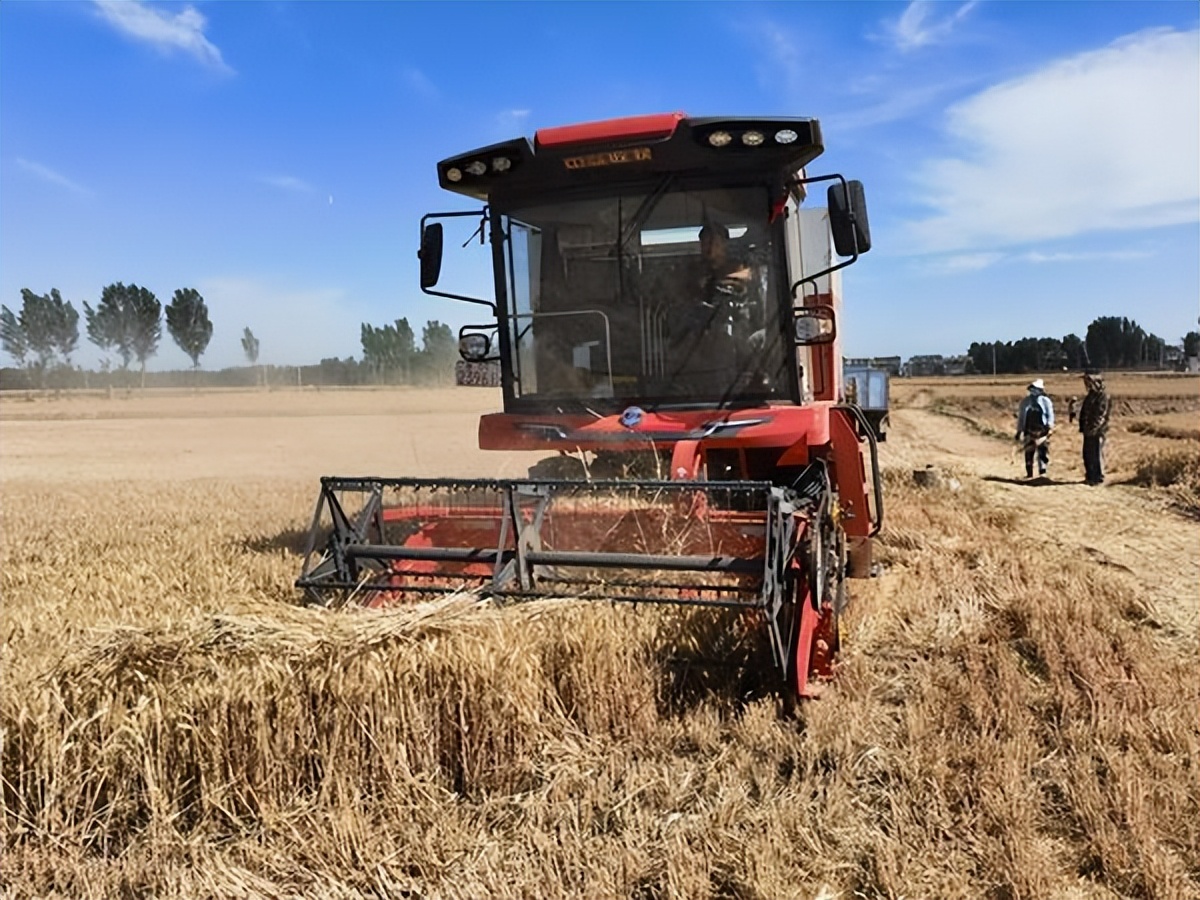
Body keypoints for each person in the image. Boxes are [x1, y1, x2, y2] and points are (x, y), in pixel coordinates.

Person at [1015, 378, 1055, 478]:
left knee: (1042, 450)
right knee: (1029, 451)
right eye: (1033, 388)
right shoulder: (1025, 402)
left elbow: (1050, 415)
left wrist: (1050, 428)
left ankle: (1042, 471)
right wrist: (1019, 430)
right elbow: (1021, 417)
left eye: (1036, 389)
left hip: (1042, 430)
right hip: (1029, 429)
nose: (1034, 391)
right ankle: (1029, 472)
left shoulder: (1046, 401)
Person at [1078, 369, 1112, 485]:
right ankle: (1090, 476)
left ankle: (1098, 477)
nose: (1086, 385)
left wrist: (1094, 428)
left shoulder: (1103, 396)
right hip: (1088, 430)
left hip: (1098, 431)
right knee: (1087, 454)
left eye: (1089, 382)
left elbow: (1101, 415)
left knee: (1097, 453)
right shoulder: (1091, 395)